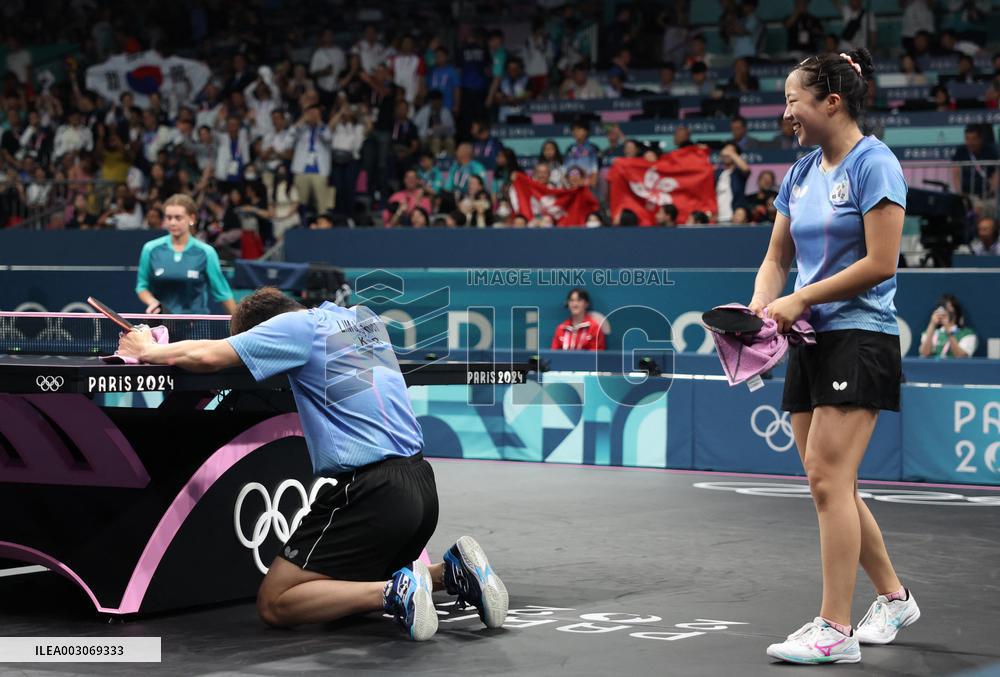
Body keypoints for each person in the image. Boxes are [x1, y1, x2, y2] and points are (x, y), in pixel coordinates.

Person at [114, 286, 509, 640]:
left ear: (265, 330)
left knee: (275, 602)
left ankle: (394, 592)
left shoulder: (294, 328)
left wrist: (148, 349)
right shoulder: (361, 320)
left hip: (372, 492)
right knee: (340, 582)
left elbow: (208, 355)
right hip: (421, 483)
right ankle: (453, 573)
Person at [750, 49, 918, 665]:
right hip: (810, 340)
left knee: (827, 479)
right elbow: (776, 257)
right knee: (831, 483)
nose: (786, 111)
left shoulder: (877, 165)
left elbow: (880, 263)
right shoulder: (800, 173)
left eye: (794, 99)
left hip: (861, 335)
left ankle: (836, 628)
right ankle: (894, 599)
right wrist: (761, 307)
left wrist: (799, 299)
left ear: (832, 101)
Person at [136, 194, 237, 315]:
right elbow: (142, 286)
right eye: (168, 217)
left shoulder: (206, 252)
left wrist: (242, 329)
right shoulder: (150, 249)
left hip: (197, 327)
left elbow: (223, 293)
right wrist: (152, 302)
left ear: (192, 219)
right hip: (161, 325)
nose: (172, 222)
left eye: (178, 218)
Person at [918, 293, 978, 358]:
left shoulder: (967, 334)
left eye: (948, 308)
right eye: (943, 307)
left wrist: (948, 329)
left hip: (955, 368)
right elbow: (924, 353)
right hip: (931, 367)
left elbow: (961, 356)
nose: (944, 312)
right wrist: (932, 324)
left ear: (956, 312)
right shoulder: (932, 332)